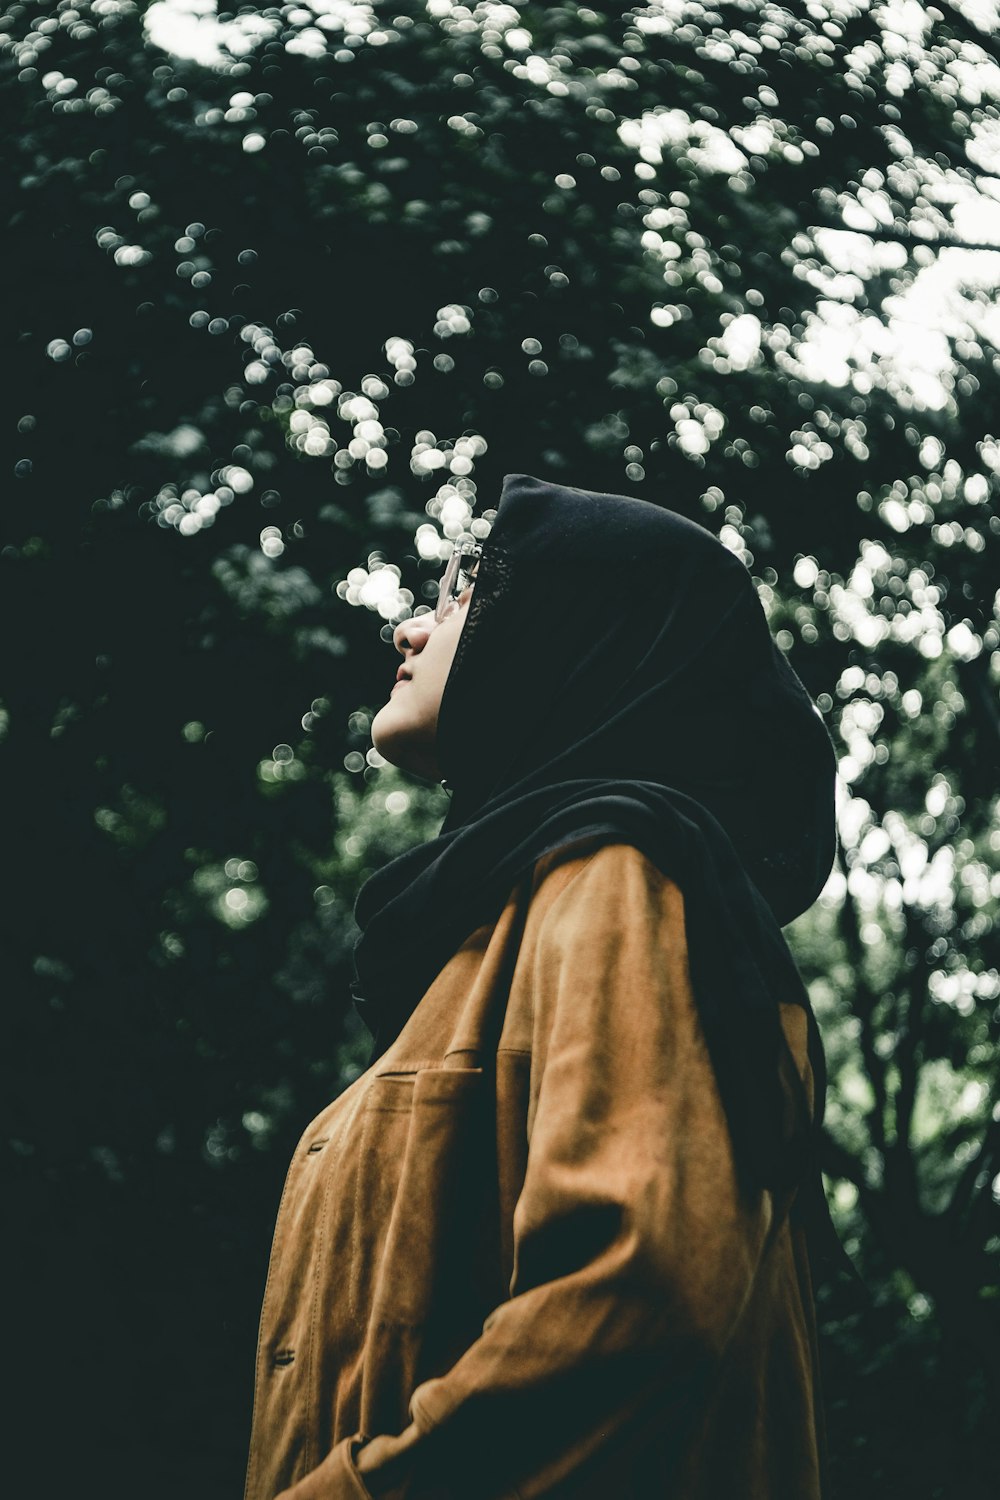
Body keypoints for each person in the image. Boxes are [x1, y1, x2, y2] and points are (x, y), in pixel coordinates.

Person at [243, 472, 853, 1500]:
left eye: (463, 589)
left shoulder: (619, 876)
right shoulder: (488, 938)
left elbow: (638, 1295)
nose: (409, 626)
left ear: (575, 631)